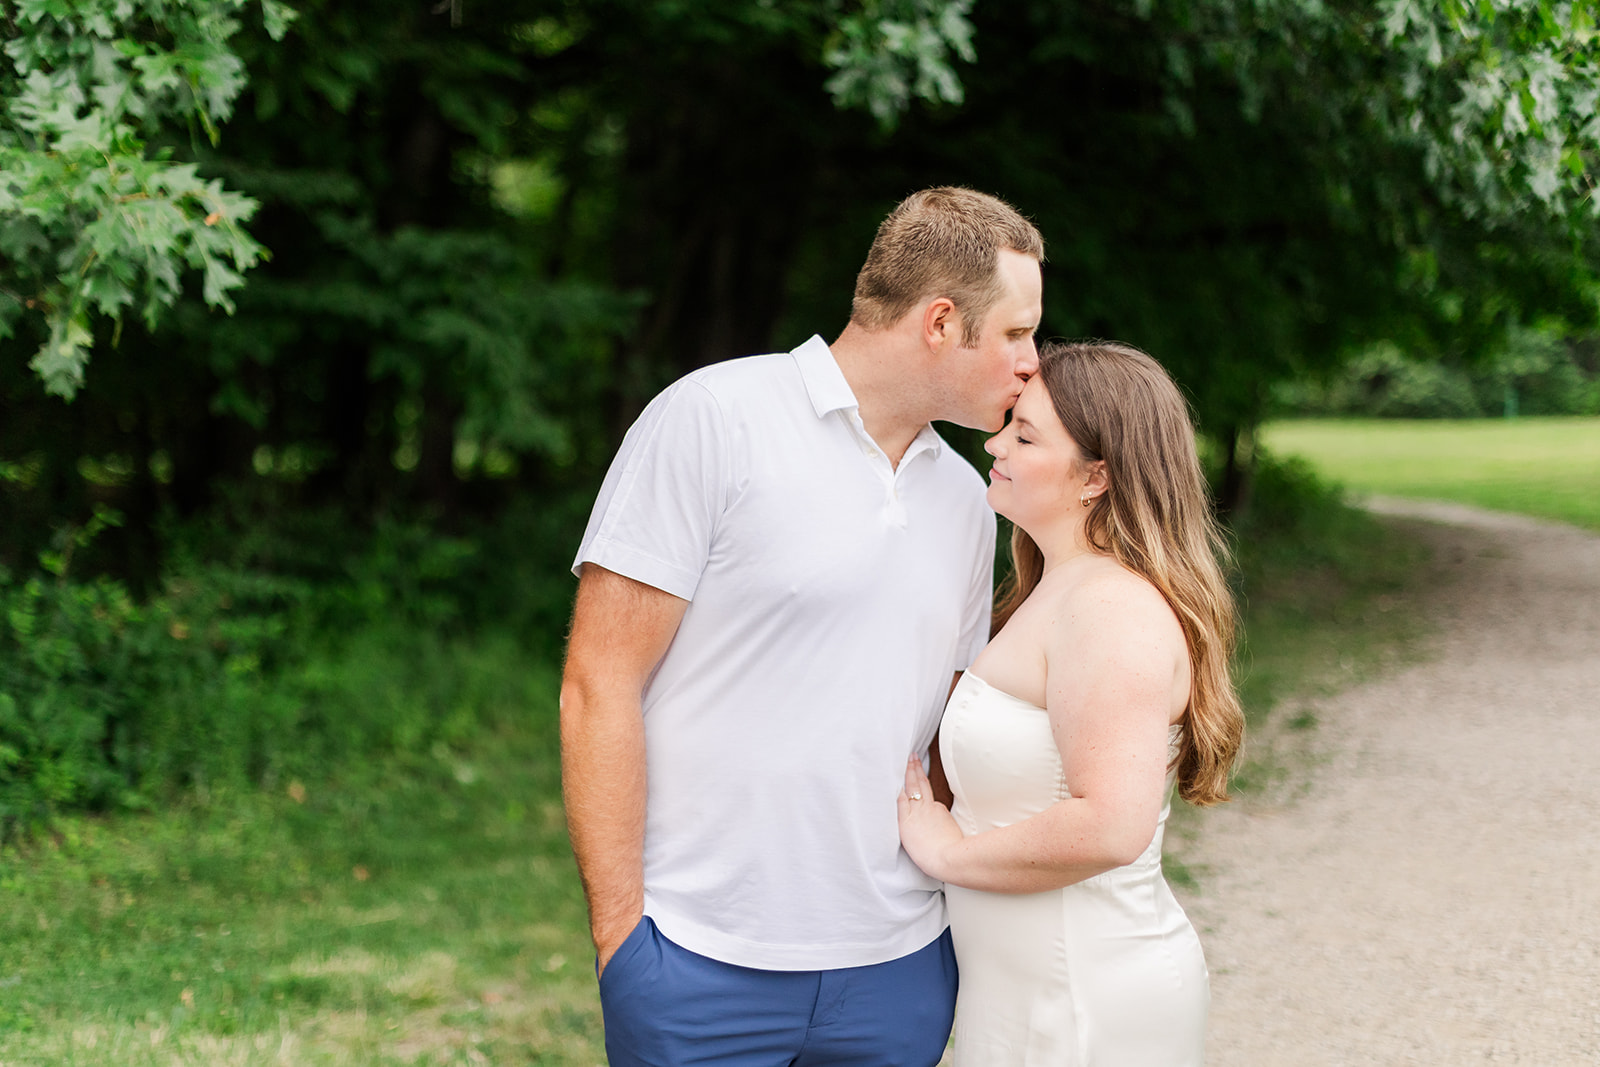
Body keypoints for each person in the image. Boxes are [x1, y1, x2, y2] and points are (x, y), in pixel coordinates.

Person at [560, 187, 1045, 1066]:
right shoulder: (713, 419)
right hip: (695, 958)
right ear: (942, 322)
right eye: (1017, 332)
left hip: (897, 967)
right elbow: (599, 681)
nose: (1031, 362)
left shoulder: (971, 502)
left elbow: (943, 730)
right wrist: (624, 938)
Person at [897, 340, 1246, 1065]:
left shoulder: (1111, 610)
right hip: (1025, 996)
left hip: (1083, 1000)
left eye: (1024, 435)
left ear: (1097, 475)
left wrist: (948, 852)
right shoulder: (1055, 588)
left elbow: (1111, 824)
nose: (995, 443)